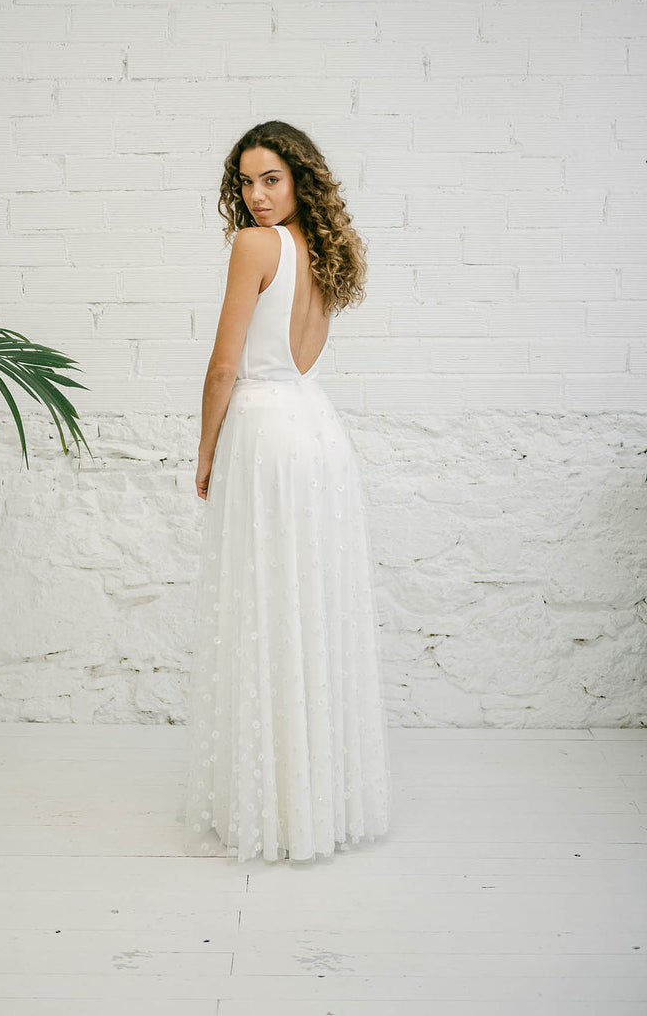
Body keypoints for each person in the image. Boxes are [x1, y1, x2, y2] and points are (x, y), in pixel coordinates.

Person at [182, 120, 392, 864]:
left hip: (265, 437)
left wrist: (205, 453)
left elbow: (223, 366)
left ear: (299, 178)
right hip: (318, 433)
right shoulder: (325, 251)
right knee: (309, 610)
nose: (257, 196)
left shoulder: (254, 246)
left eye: (270, 178)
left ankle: (272, 806)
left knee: (266, 610)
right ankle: (315, 802)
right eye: (245, 181)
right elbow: (302, 354)